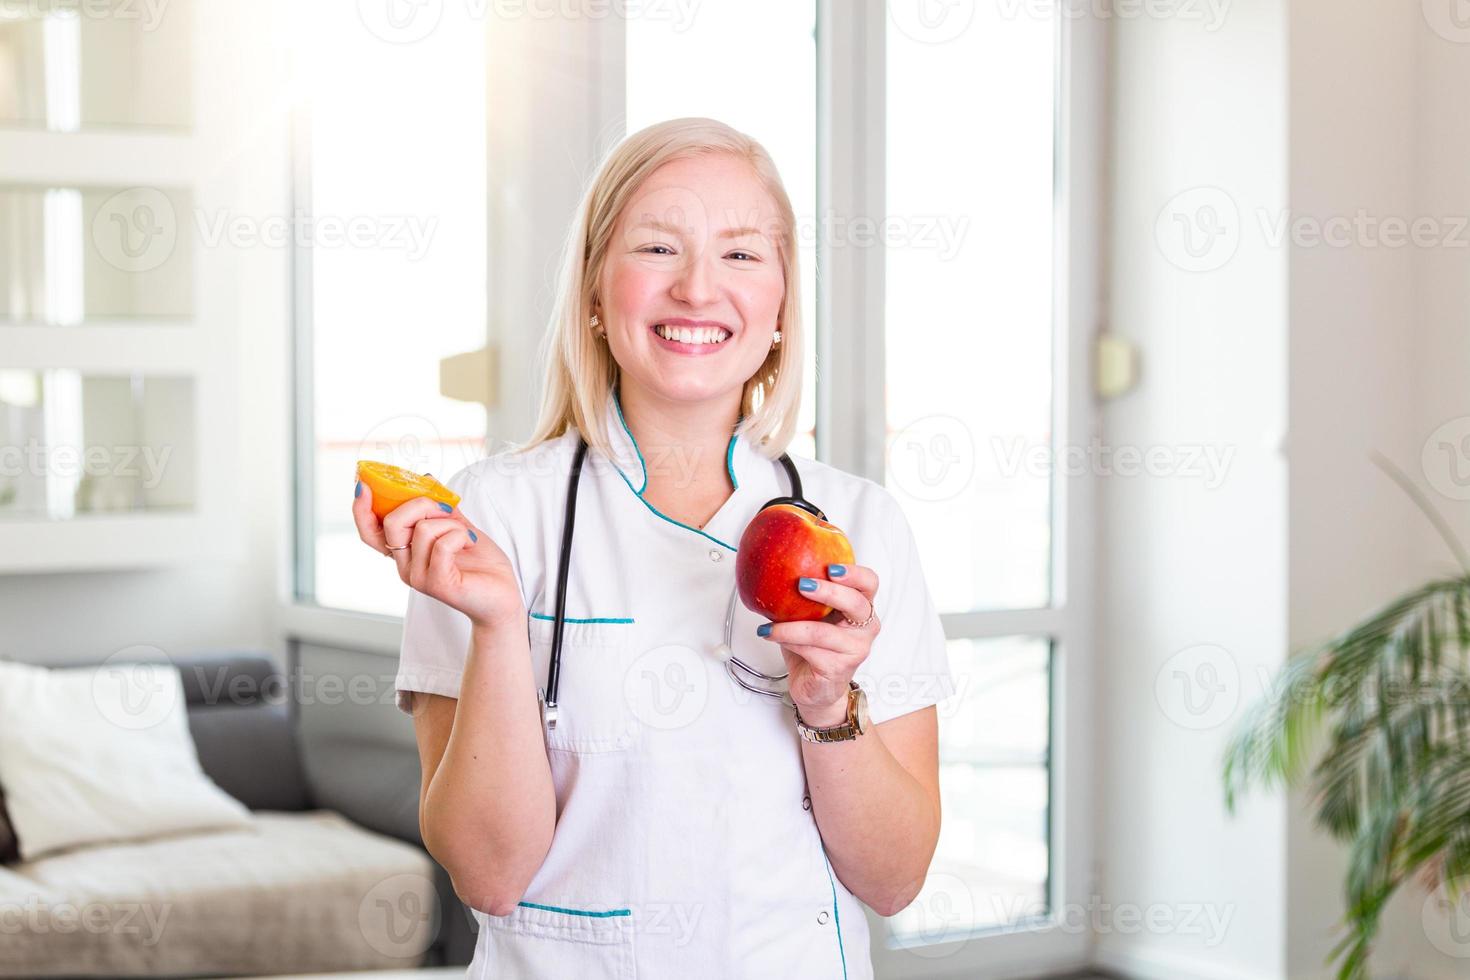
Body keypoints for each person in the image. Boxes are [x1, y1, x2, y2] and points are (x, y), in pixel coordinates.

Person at [352, 117, 956, 979]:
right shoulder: (495, 517)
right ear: (596, 293)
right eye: (658, 248)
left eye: (742, 255)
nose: (699, 290)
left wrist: (829, 705)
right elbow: (488, 876)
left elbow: (894, 880)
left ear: (782, 303)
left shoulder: (860, 526)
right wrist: (494, 627)